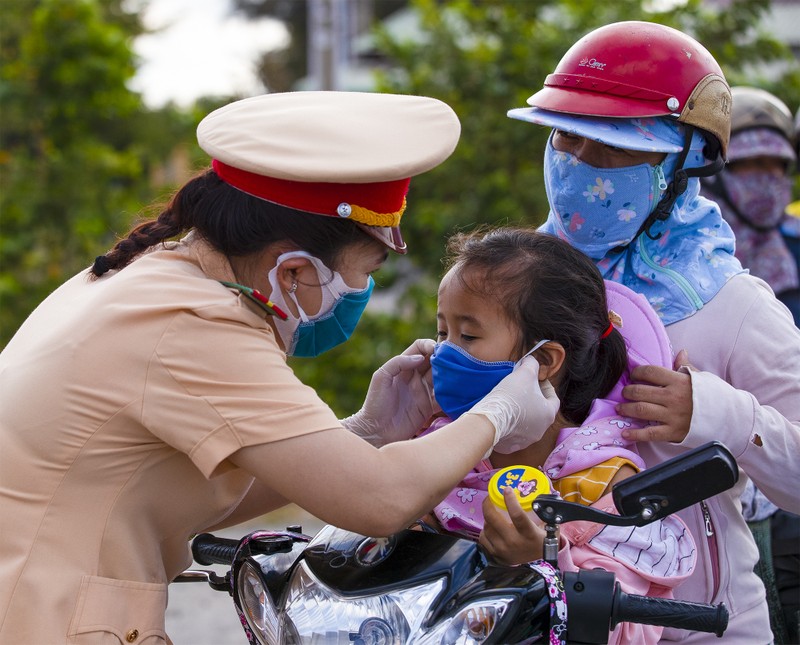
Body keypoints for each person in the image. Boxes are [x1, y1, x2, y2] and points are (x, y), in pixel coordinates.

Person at [0, 92, 561, 643]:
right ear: (293, 272)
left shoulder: (150, 282)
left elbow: (191, 497)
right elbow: (380, 502)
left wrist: (369, 431)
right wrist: (503, 407)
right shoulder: (195, 324)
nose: (363, 291)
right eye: (365, 270)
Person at [505, 20, 800, 645]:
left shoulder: (735, 307)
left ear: (681, 163)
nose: (579, 166)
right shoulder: (514, 287)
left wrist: (720, 414)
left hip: (701, 630)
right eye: (566, 138)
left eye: (612, 149)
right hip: (532, 620)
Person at [416, 227, 695, 645]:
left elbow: (631, 632)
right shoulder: (437, 447)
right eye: (443, 334)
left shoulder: (602, 481)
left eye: (468, 336)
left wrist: (543, 566)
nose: (444, 354)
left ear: (544, 360)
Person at [699, 86, 800, 644]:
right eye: (751, 164)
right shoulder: (687, 262)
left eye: (776, 165)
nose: (766, 179)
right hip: (721, 496)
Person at [700, 86, 799, 326]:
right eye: (755, 162)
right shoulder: (688, 244)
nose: (770, 176)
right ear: (716, 170)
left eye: (779, 165)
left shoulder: (795, 240)